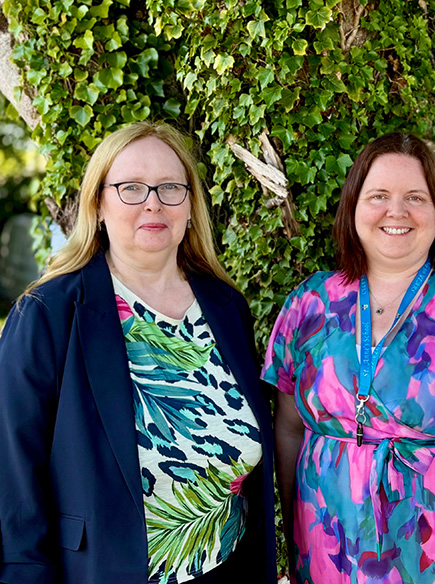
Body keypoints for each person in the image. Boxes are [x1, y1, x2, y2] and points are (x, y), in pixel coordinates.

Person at [263, 132, 435, 584]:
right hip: (329, 556)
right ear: (353, 207)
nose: (396, 211)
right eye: (378, 196)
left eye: (415, 197)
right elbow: (289, 430)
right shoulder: (310, 303)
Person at [0, 122, 277, 584]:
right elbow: (12, 479)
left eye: (170, 187)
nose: (153, 203)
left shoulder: (226, 307)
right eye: (131, 188)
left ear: (190, 206)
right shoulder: (47, 314)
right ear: (98, 205)